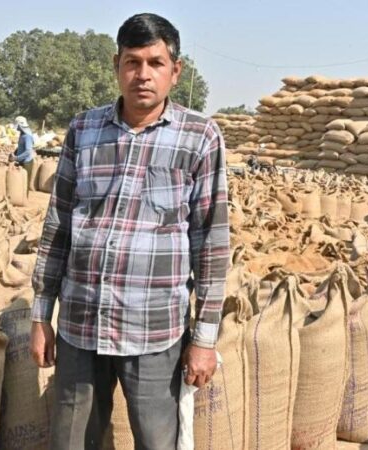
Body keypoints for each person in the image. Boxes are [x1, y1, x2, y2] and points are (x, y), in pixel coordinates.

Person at [30, 12, 229, 449]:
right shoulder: (84, 130)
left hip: (154, 331)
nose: (143, 74)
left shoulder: (199, 136)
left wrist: (204, 339)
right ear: (116, 65)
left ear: (175, 70)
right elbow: (58, 225)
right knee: (71, 441)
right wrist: (41, 315)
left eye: (155, 63)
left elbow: (211, 244)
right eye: (132, 62)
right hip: (81, 324)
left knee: (157, 442)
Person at [13, 116, 35, 187]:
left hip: (26, 163)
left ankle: (25, 194)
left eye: (17, 125)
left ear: (20, 125)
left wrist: (16, 158)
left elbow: (28, 151)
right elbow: (21, 147)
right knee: (19, 184)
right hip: (21, 161)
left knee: (24, 184)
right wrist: (15, 153)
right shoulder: (22, 134)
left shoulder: (27, 136)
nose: (16, 128)